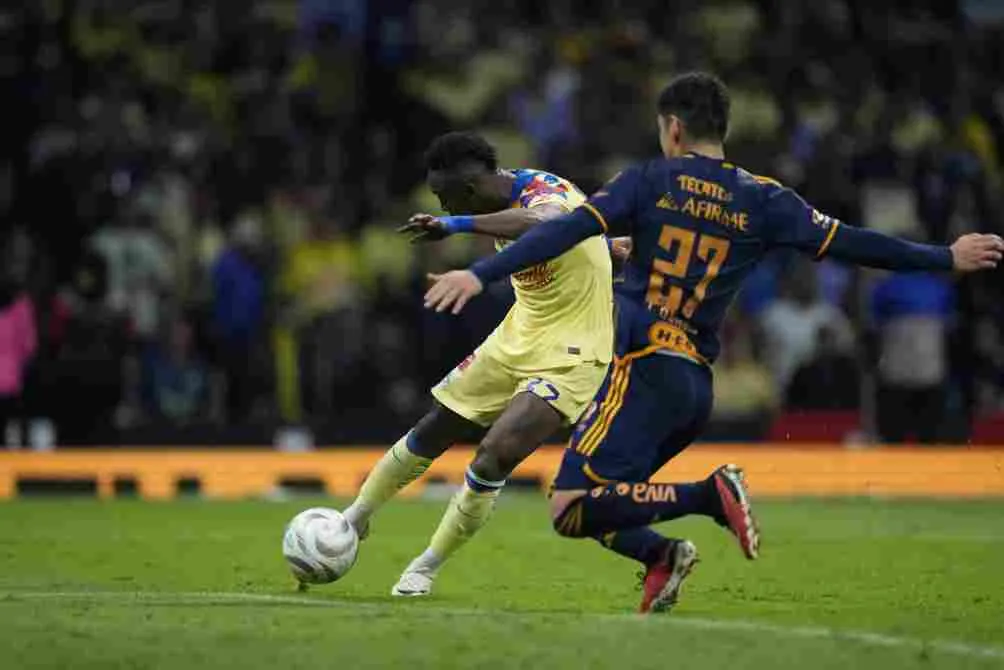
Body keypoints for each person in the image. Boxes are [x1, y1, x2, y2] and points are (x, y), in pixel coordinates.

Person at [424, 72, 1004, 613]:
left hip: (641, 367)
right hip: (696, 385)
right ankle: (662, 555)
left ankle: (708, 494)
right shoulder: (763, 197)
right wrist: (945, 257)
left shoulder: (649, 180)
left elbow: (561, 231)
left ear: (672, 128)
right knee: (604, 502)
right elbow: (855, 243)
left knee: (571, 504)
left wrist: (479, 274)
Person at [343, 131, 623, 596]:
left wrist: (457, 226)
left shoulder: (542, 193)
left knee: (494, 453)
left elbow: (546, 223)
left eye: (442, 196)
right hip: (518, 334)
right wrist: (610, 251)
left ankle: (426, 566)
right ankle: (354, 518)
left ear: (466, 190)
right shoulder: (504, 196)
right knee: (435, 427)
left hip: (572, 351)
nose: (441, 205)